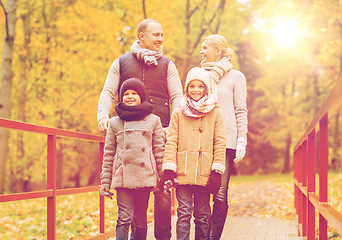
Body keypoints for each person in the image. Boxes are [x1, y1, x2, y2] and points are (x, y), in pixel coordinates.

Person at [97, 18, 183, 240]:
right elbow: (108, 91)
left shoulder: (167, 64)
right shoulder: (122, 62)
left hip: (161, 134)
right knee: (135, 200)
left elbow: (177, 98)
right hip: (130, 135)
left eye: (162, 35)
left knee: (163, 193)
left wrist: (173, 127)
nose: (161, 39)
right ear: (141, 36)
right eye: (156, 35)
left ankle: (163, 237)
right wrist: (103, 116)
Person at [160, 67, 226, 240]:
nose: (196, 90)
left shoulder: (216, 112)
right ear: (186, 89)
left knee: (203, 214)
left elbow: (220, 142)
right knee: (183, 213)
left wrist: (216, 171)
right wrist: (168, 169)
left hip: (205, 172)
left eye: (200, 86)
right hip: (183, 171)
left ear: (206, 88)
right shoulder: (178, 113)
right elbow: (171, 141)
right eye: (192, 86)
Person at [100, 78, 165, 240]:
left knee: (141, 219)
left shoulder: (153, 120)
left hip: (145, 177)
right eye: (126, 94)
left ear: (141, 96)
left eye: (134, 93)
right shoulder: (115, 122)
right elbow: (108, 154)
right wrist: (105, 182)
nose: (130, 96)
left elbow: (159, 151)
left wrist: (164, 178)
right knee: (124, 218)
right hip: (123, 177)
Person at [200, 34, 248, 239]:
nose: (201, 52)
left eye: (205, 48)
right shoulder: (198, 75)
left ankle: (214, 237)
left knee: (220, 193)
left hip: (226, 142)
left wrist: (241, 140)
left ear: (218, 51)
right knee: (201, 192)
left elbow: (240, 110)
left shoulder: (236, 76)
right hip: (201, 141)